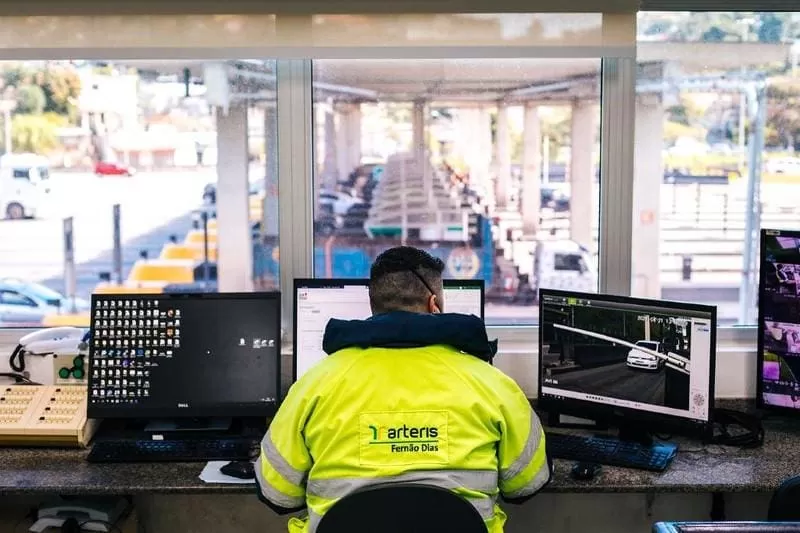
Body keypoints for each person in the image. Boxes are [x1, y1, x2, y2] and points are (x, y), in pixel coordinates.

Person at [255, 246, 551, 533]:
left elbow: (278, 494)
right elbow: (525, 484)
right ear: (434, 305)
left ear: (374, 309)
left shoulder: (313, 386)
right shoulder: (493, 384)